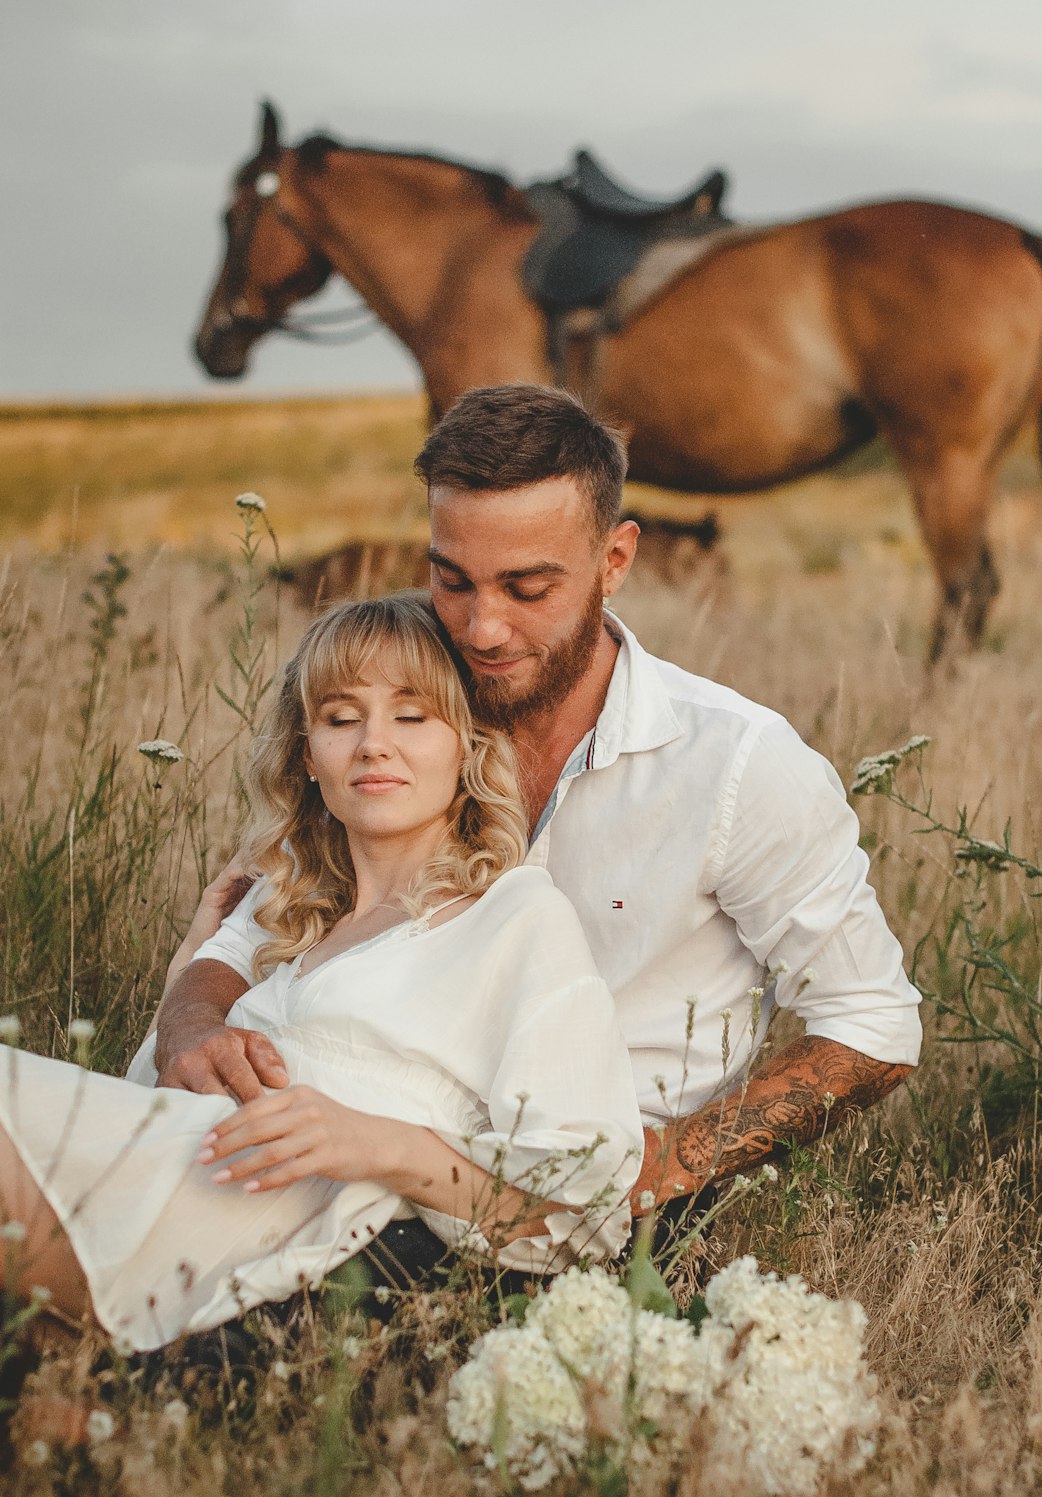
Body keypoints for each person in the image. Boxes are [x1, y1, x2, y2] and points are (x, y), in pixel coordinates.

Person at [153, 384, 922, 1262]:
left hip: (568, 1211)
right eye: (452, 579)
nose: (483, 627)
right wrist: (191, 1021)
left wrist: (662, 1167)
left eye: (528, 587)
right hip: (353, 1157)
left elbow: (873, 1026)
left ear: (615, 559)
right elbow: (266, 911)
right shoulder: (410, 707)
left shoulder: (738, 764)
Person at [0, 595, 642, 1352]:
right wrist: (190, 1001)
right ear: (308, 754)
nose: (374, 744)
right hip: (184, 1152)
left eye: (412, 716)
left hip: (303, 1210)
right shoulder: (290, 896)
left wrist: (377, 1142)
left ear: (467, 745)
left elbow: (589, 1202)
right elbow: (207, 975)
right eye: (341, 718)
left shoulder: (514, 916)